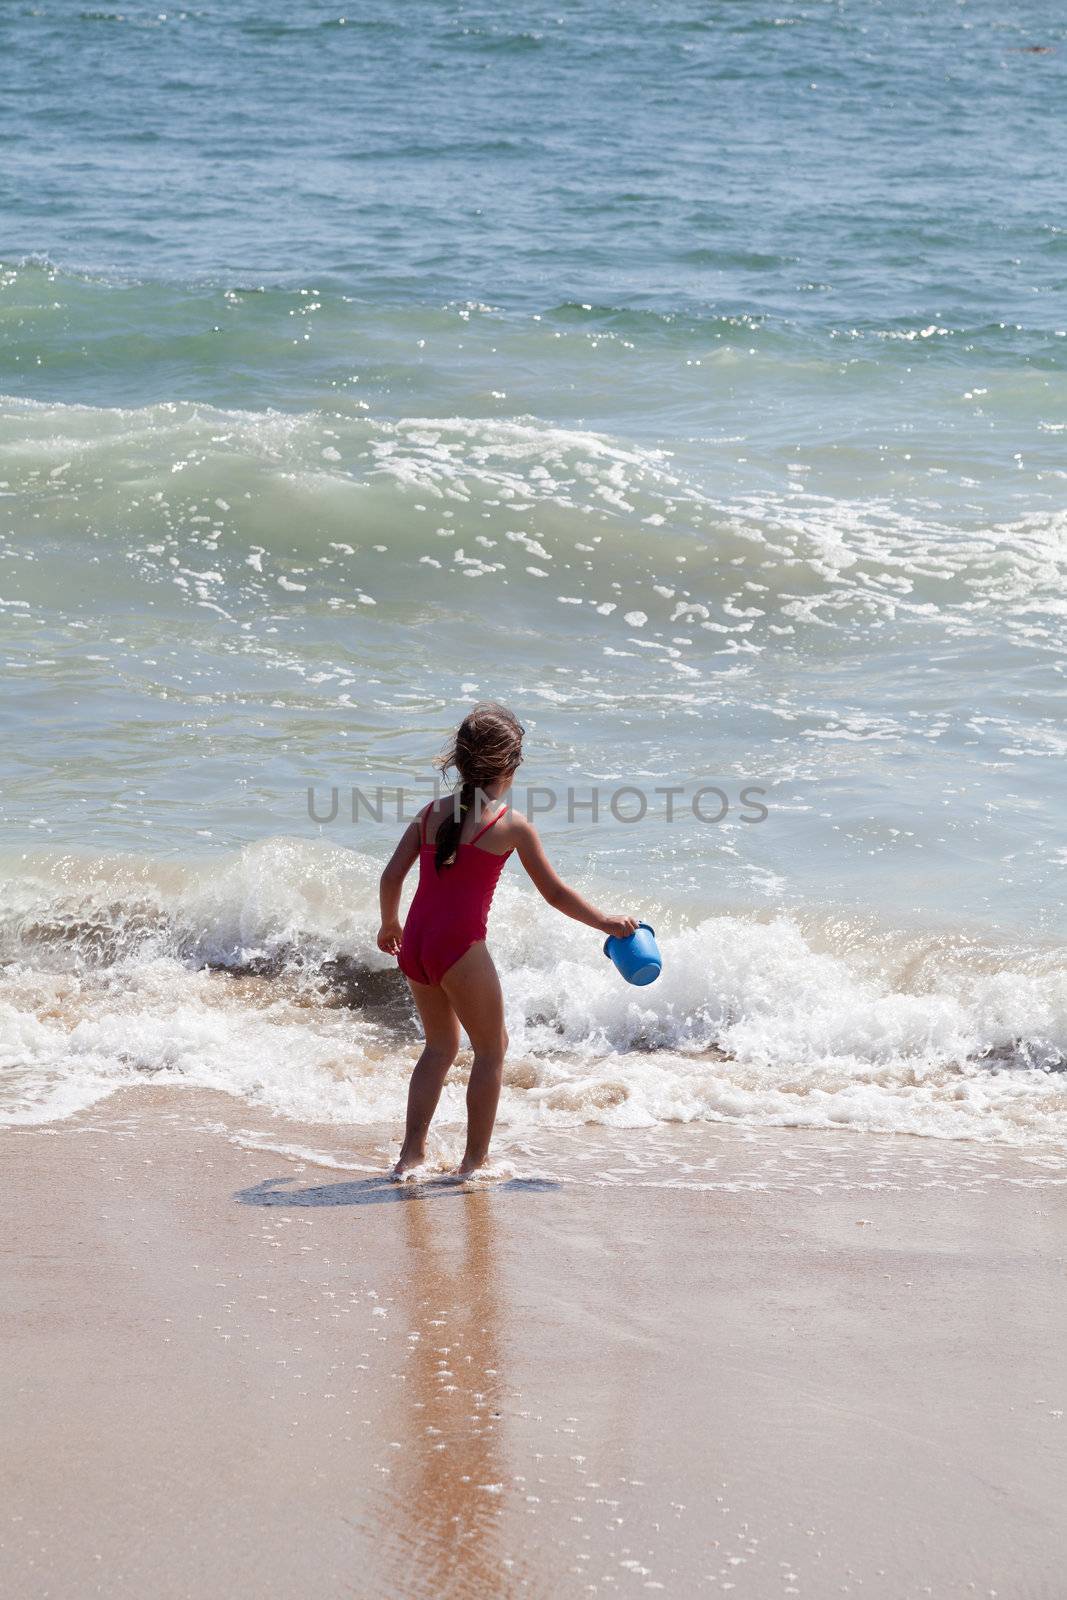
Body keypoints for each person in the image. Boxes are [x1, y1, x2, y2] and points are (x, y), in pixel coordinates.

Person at [377, 702, 638, 1177]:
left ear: (459, 761)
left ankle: (410, 1155)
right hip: (459, 948)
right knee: (492, 1050)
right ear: (511, 765)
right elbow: (556, 894)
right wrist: (605, 922)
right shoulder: (510, 825)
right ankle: (474, 1162)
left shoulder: (430, 814)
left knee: (438, 1049)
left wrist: (388, 924)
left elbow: (392, 875)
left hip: (414, 943)